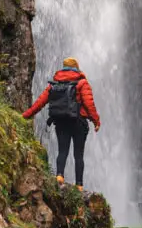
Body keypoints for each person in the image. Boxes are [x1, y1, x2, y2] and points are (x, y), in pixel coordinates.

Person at [22, 57, 101, 192]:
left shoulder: (54, 84)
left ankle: (59, 176)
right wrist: (96, 121)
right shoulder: (82, 83)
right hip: (78, 123)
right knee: (78, 155)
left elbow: (39, 103)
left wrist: (24, 116)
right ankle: (79, 185)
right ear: (76, 67)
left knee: (62, 151)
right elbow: (89, 104)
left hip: (61, 122)